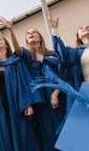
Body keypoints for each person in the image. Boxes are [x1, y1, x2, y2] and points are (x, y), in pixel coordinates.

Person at [4, 17, 64, 151]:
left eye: (34, 32)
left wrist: (55, 93)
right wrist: (11, 30)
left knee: (62, 132)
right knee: (47, 137)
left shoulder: (51, 54)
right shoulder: (27, 56)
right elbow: (18, 50)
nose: (31, 34)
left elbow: (62, 74)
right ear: (26, 40)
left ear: (40, 37)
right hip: (39, 101)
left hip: (56, 96)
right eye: (28, 34)